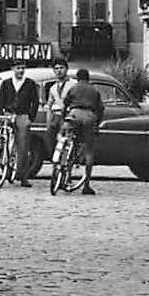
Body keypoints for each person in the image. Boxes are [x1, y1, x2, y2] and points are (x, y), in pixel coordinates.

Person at [61, 68, 105, 196]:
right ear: (88, 78)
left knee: (67, 142)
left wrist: (65, 118)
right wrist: (96, 123)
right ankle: (86, 185)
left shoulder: (73, 88)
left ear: (77, 78)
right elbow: (101, 109)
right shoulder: (94, 90)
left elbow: (65, 104)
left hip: (74, 115)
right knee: (89, 150)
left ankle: (64, 174)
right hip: (88, 117)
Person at [0, 61, 40, 187]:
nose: (20, 70)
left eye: (22, 68)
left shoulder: (30, 83)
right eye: (18, 68)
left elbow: (35, 102)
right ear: (12, 69)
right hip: (8, 115)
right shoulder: (6, 83)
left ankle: (23, 176)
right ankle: (5, 169)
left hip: (23, 116)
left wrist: (30, 117)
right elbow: (0, 100)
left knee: (23, 146)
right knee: (3, 140)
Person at [43, 60, 72, 159]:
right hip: (55, 116)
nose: (59, 71)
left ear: (66, 69)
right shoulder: (53, 87)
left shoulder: (73, 84)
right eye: (56, 68)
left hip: (68, 115)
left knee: (66, 140)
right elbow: (49, 103)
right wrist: (48, 119)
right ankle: (54, 162)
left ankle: (65, 161)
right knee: (51, 140)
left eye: (61, 68)